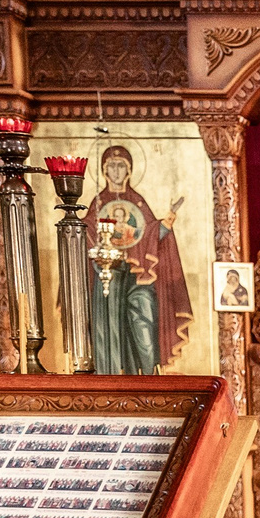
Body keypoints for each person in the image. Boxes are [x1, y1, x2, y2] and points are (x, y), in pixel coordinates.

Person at [86, 144, 192, 375]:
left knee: (143, 323)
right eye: (111, 166)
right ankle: (109, 378)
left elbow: (152, 233)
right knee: (108, 327)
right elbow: (87, 234)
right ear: (104, 171)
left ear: (129, 171)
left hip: (139, 277)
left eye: (120, 166)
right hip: (108, 277)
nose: (116, 171)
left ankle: (149, 375)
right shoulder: (98, 203)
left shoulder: (138, 202)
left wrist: (169, 219)